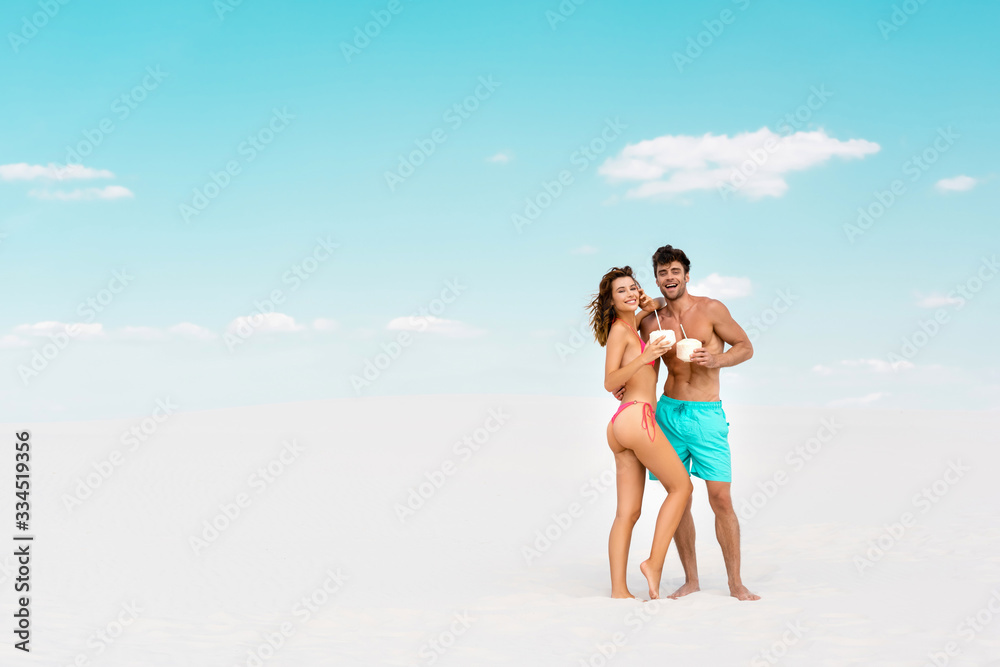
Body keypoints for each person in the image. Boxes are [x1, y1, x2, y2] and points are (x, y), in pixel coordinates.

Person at [632, 245, 759, 601]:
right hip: (669, 413)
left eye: (675, 271)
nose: (669, 277)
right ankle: (691, 580)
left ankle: (736, 583)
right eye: (662, 273)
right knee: (679, 497)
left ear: (687, 275)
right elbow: (637, 355)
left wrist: (716, 359)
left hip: (706, 414)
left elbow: (745, 347)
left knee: (721, 499)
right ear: (657, 280)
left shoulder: (711, 309)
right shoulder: (651, 321)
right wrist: (626, 384)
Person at [589, 266, 693, 600]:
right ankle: (654, 564)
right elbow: (609, 381)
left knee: (628, 513)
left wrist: (648, 302)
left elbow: (658, 303)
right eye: (621, 291)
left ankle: (619, 590)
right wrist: (644, 357)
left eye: (633, 287)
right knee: (681, 487)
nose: (630, 293)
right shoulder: (620, 331)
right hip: (637, 418)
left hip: (623, 423)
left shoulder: (632, 325)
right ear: (610, 300)